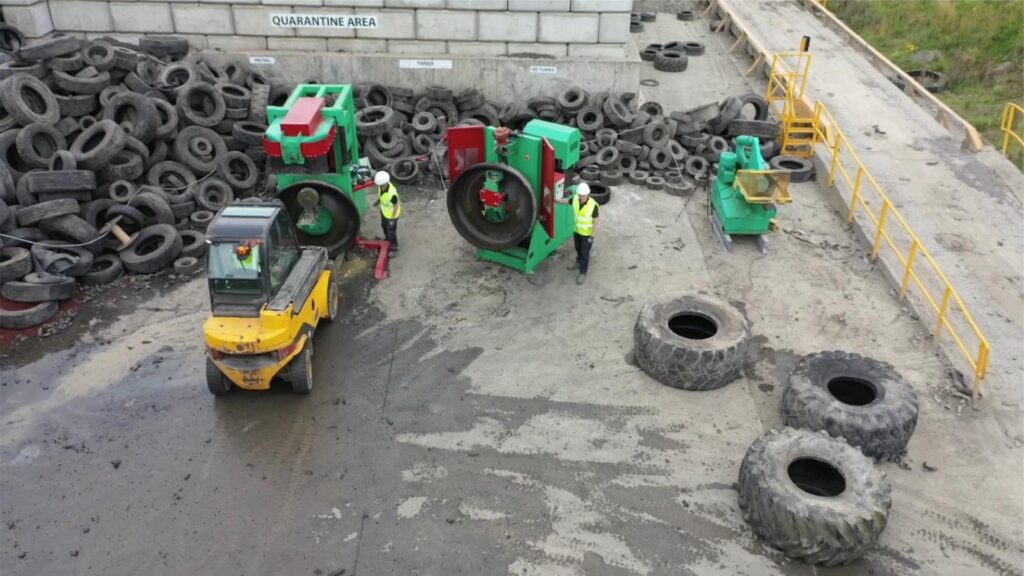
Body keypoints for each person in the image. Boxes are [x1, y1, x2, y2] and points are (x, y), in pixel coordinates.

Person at [557, 182, 599, 285]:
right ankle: (578, 262)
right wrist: (556, 200)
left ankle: (582, 272)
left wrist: (592, 236)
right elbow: (567, 201)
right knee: (578, 248)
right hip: (577, 231)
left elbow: (596, 221)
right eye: (580, 195)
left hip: (587, 234)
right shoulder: (576, 199)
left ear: (587, 195)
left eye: (583, 196)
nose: (581, 197)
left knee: (585, 253)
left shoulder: (593, 205)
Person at [373, 171, 402, 254]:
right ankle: (387, 238)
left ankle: (394, 247)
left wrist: (393, 219)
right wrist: (378, 201)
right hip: (384, 211)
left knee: (391, 231)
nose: (379, 186)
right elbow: (381, 195)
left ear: (385, 182)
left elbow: (396, 206)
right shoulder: (381, 186)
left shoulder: (392, 194)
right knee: (383, 226)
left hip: (392, 214)